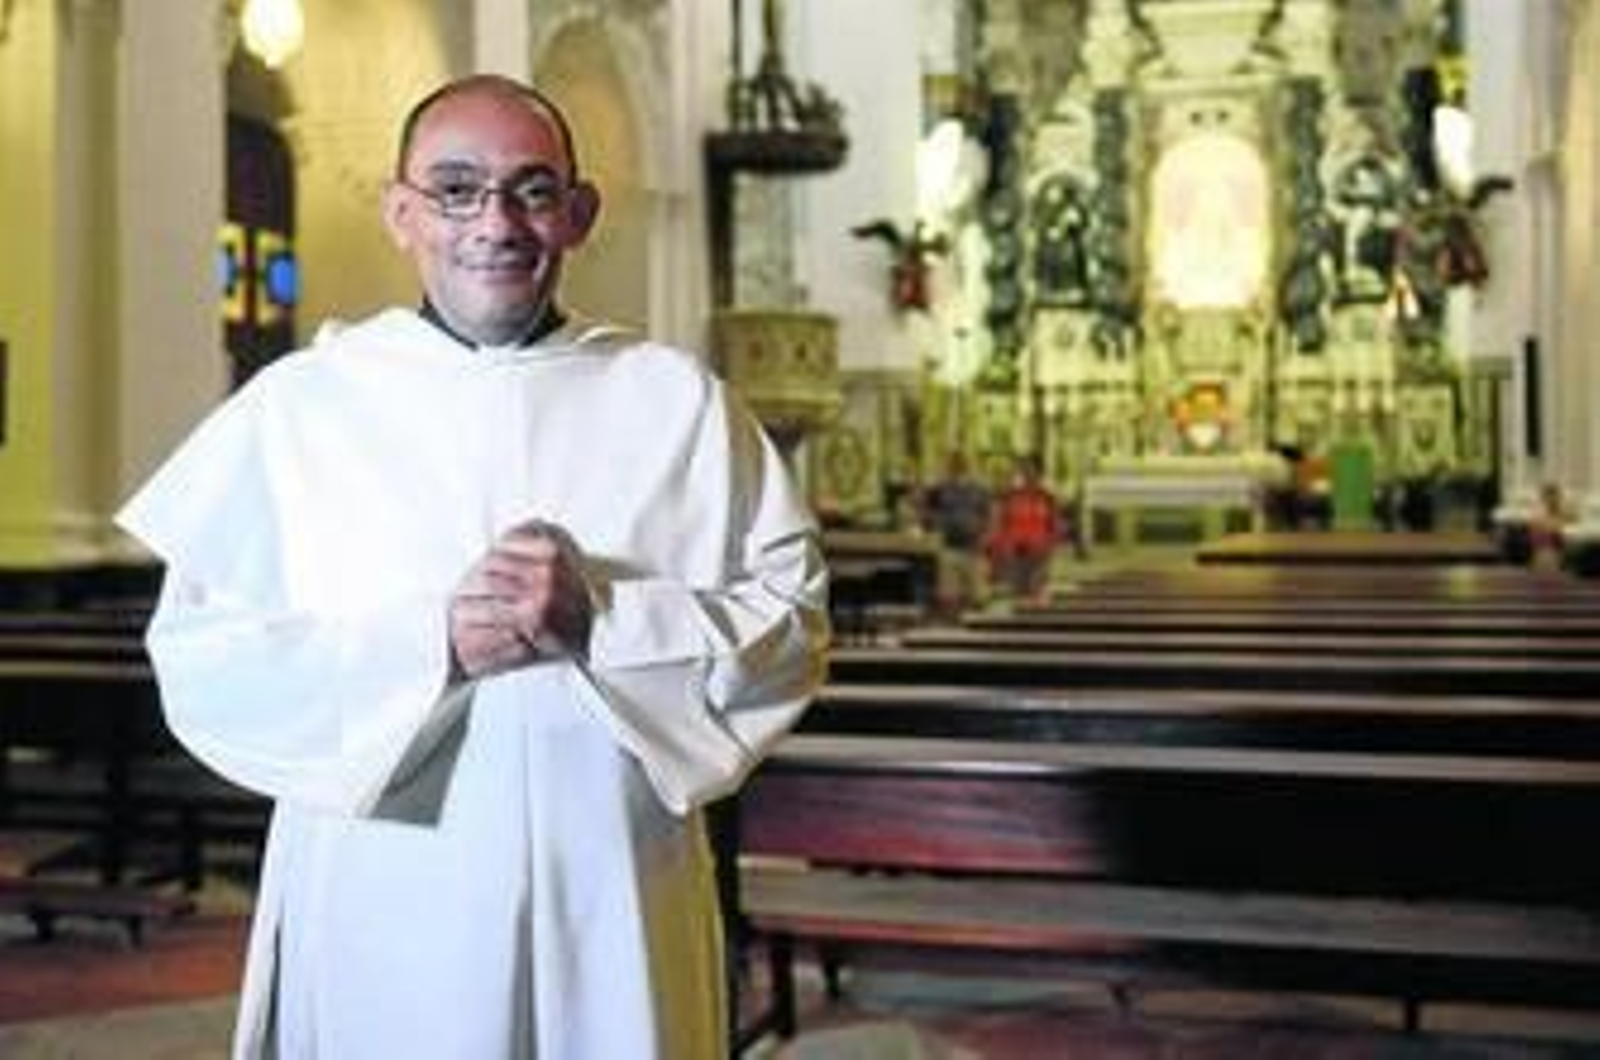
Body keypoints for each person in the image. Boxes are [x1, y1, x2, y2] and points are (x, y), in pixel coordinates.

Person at [116, 74, 828, 1059]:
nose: (494, 221)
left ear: (578, 214)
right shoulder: (303, 410)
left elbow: (790, 629)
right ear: (400, 211)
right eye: (455, 189)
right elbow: (207, 657)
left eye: (531, 190)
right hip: (386, 881)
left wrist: (605, 622)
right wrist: (429, 644)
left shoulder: (678, 405)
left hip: (612, 880)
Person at [984, 454, 1062, 600]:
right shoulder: (1012, 496)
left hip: (1038, 553)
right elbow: (1001, 524)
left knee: (1036, 594)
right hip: (1015, 553)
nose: (1026, 473)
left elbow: (1055, 526)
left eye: (1029, 468)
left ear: (1039, 472)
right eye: (1023, 469)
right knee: (1017, 595)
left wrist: (1049, 548)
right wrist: (997, 553)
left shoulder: (1047, 497)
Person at [921, 451, 991, 612]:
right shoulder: (938, 488)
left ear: (967, 464)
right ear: (948, 465)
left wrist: (983, 533)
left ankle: (976, 629)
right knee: (949, 596)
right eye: (953, 462)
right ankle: (953, 628)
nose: (957, 465)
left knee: (977, 597)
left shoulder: (979, 488)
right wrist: (938, 522)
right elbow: (926, 514)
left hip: (973, 547)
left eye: (960, 462)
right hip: (948, 546)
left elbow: (988, 514)